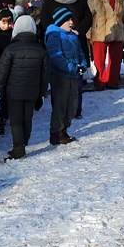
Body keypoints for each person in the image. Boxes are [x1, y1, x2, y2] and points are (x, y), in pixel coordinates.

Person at [0, 15, 49, 160]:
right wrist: (42, 94)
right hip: (32, 91)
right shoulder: (40, 49)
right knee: (27, 119)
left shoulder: (10, 49)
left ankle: (19, 148)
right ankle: (23, 143)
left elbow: (2, 73)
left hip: (14, 91)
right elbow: (45, 75)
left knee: (16, 120)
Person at [40, 0, 92, 116]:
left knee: (78, 79)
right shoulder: (50, 1)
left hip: (76, 40)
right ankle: (60, 109)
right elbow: (44, 19)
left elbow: (88, 18)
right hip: (57, 42)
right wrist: (57, 32)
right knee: (60, 79)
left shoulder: (80, 0)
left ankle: (76, 109)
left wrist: (78, 31)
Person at [45, 8, 87, 145]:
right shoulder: (54, 35)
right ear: (61, 21)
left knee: (72, 105)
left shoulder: (73, 36)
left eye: (71, 20)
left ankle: (64, 129)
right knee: (60, 105)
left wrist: (83, 64)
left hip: (73, 75)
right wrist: (73, 67)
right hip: (60, 76)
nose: (71, 22)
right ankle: (56, 133)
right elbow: (56, 57)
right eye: (68, 20)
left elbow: (80, 52)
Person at [87, 0, 124, 89]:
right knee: (99, 61)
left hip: (117, 31)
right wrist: (88, 34)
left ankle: (113, 82)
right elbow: (88, 16)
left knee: (116, 60)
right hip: (99, 32)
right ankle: (100, 82)